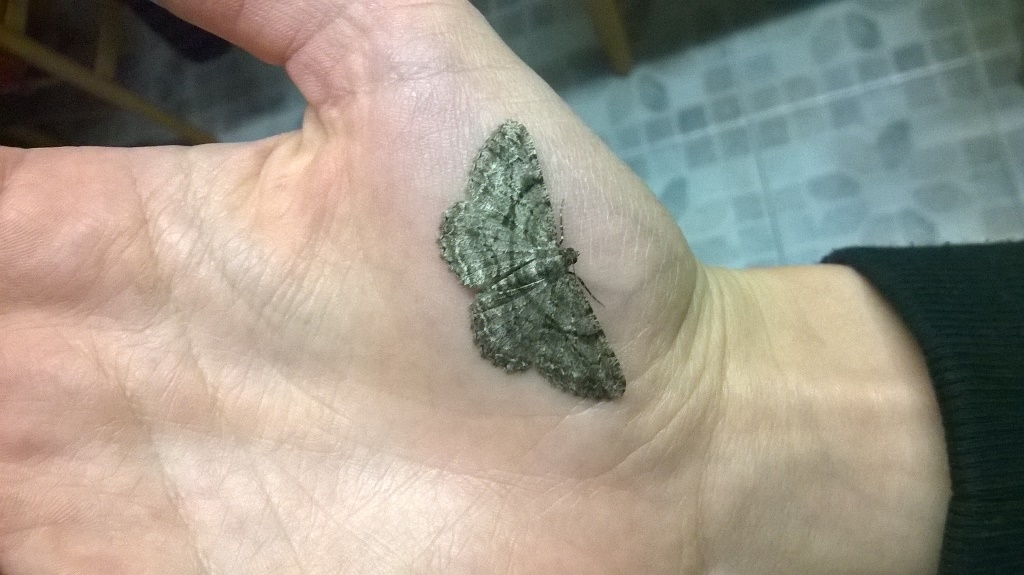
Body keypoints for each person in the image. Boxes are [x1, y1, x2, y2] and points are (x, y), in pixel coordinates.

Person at [0, 0, 1019, 573]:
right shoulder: (519, 245)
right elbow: (504, 187)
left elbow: (504, 191)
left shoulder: (513, 243)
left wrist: (705, 413)